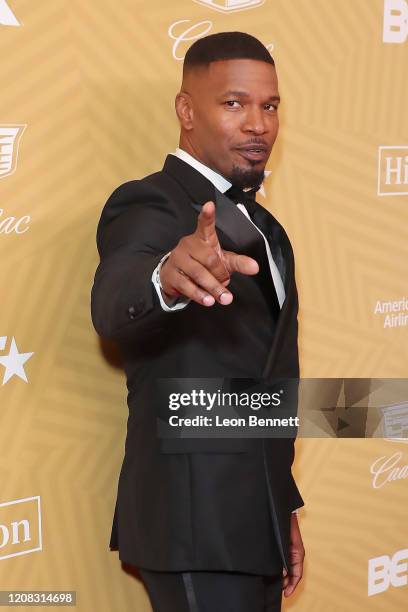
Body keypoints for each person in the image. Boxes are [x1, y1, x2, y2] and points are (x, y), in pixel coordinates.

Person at [91, 31, 305, 612]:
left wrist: (278, 504)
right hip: (192, 522)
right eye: (234, 103)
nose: (258, 123)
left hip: (250, 524)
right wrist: (165, 277)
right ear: (186, 111)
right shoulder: (152, 203)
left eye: (270, 105)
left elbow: (263, 388)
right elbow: (115, 299)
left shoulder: (265, 226)